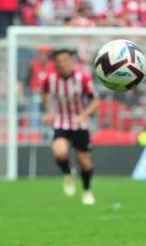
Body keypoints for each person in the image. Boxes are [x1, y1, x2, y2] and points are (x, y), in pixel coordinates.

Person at [41, 49, 100, 206]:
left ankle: (87, 191)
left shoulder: (83, 78)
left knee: (84, 161)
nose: (62, 64)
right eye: (58, 62)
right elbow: (45, 94)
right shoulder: (50, 79)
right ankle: (68, 174)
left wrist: (82, 116)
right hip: (61, 122)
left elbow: (95, 101)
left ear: (70, 61)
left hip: (80, 124)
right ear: (55, 64)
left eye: (65, 60)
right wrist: (47, 112)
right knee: (60, 152)